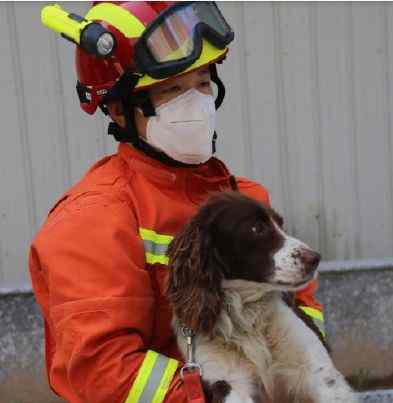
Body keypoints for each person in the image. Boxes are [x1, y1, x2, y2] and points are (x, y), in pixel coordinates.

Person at [29, 2, 324, 402]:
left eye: (203, 82)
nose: (197, 102)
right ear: (120, 110)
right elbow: (101, 368)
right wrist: (220, 393)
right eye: (172, 90)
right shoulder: (93, 219)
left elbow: (299, 307)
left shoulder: (246, 198)